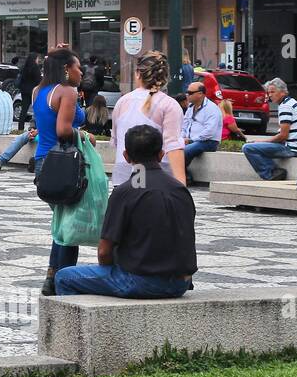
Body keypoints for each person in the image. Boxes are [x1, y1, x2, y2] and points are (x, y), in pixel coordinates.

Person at [54, 125, 196, 299]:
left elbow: (104, 251)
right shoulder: (179, 190)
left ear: (126, 156)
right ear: (161, 154)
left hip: (141, 281)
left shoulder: (126, 191)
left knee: (63, 277)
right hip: (180, 282)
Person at [32, 47, 88, 295]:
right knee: (70, 223)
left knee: (64, 220)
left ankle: (54, 276)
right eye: (77, 66)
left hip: (43, 162)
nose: (81, 71)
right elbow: (64, 130)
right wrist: (84, 135)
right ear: (67, 69)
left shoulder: (38, 91)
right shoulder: (67, 91)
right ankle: (62, 277)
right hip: (64, 164)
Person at [109, 51, 185, 188]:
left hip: (124, 178)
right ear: (165, 76)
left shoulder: (122, 102)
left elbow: (116, 142)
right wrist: (181, 188)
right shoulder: (169, 105)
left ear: (138, 73)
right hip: (158, 179)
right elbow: (173, 148)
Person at [243, 78, 297, 181]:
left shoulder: (285, 106)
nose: (270, 95)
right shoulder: (290, 102)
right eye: (268, 92)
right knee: (255, 146)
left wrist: (262, 141)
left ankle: (270, 174)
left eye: (273, 92)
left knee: (248, 148)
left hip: (292, 148)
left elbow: (283, 136)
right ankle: (274, 171)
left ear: (283, 92)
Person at [181, 80, 223, 166]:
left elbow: (209, 132)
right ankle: (182, 175)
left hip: (208, 142)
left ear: (200, 94)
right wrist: (182, 138)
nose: (187, 95)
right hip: (191, 141)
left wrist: (191, 140)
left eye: (190, 93)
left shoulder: (212, 109)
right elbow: (184, 126)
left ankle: (183, 175)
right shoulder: (190, 107)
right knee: (172, 148)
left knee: (186, 151)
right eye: (186, 92)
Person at [16, 52, 42, 131]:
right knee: (37, 109)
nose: (38, 60)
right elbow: (38, 80)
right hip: (33, 92)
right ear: (34, 59)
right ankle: (35, 126)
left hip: (24, 91)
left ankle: (20, 128)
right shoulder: (35, 68)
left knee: (24, 110)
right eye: (37, 58)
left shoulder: (24, 68)